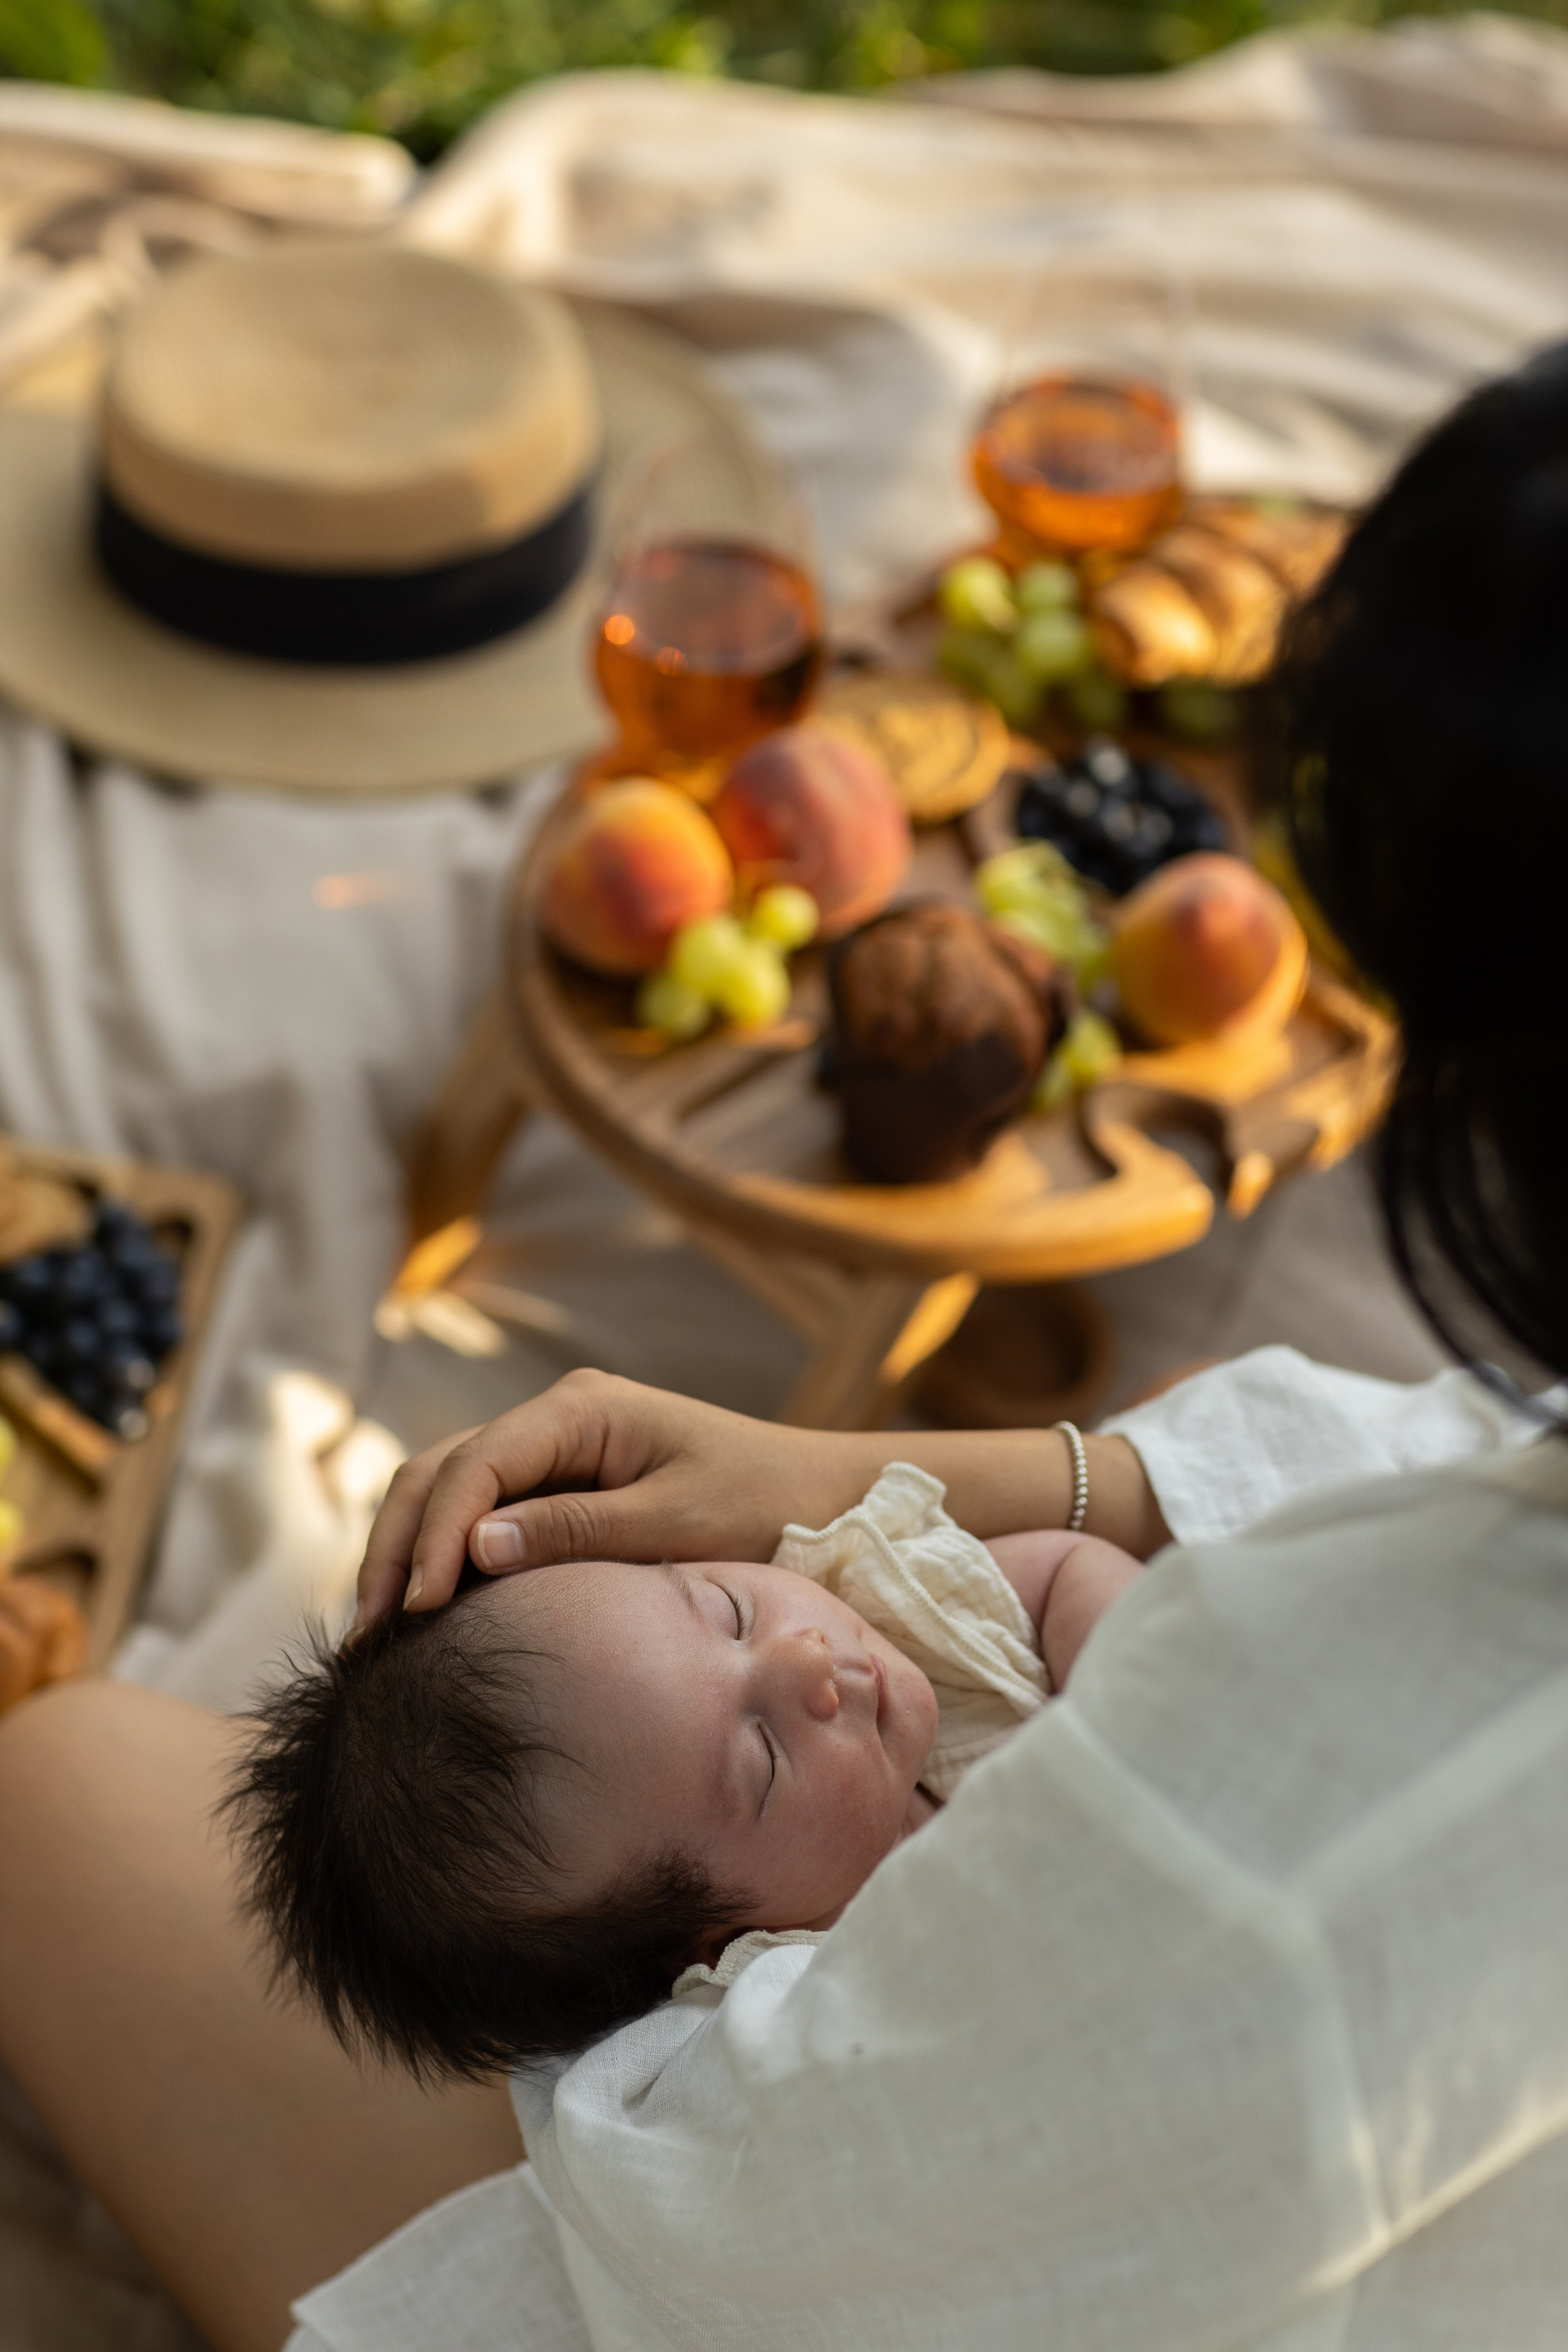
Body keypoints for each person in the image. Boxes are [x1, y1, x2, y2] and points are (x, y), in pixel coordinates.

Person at [0, 343, 1565, 2352]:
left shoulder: (1216, 1881)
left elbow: (761, 2232)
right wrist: (891, 1485)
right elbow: (1391, 1477)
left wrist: (624, 2065)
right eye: (745, 1671)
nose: (819, 1648)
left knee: (55, 1793)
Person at [230, 1468, 1142, 2079]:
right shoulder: (840, 1985)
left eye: (728, 1607)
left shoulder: (896, 1606)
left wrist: (1145, 1709)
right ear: (721, 1943)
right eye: (764, 1757)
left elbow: (1063, 1568)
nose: (807, 1661)